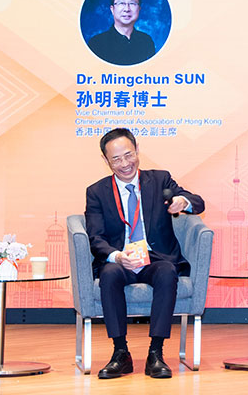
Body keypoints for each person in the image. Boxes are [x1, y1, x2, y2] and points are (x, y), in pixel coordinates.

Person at [83, 127, 205, 379]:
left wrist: (184, 201)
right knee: (109, 274)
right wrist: (116, 256)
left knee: (167, 272)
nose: (125, 164)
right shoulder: (96, 192)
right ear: (105, 160)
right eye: (116, 159)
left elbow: (198, 202)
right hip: (120, 258)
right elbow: (96, 237)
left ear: (137, 150)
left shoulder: (159, 180)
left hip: (156, 257)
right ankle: (120, 353)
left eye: (129, 155)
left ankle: (156, 353)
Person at [86, 0, 158, 65]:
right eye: (121, 3)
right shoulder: (97, 43)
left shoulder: (146, 41)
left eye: (132, 3)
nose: (127, 9)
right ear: (112, 9)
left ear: (139, 9)